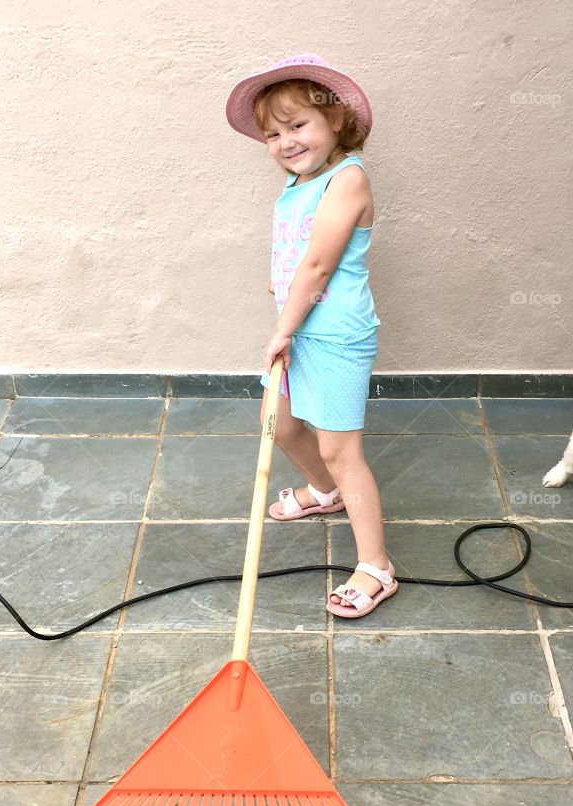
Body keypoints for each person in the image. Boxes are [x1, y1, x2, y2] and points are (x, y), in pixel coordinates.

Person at [225, 53, 397, 619]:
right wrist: (286, 317)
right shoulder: (299, 184)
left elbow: (319, 265)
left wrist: (284, 327)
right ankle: (326, 493)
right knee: (281, 422)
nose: (284, 141)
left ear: (336, 122)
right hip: (299, 330)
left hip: (336, 337)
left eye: (297, 125)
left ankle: (376, 566)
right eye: (272, 134)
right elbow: (293, 259)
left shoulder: (348, 180)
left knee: (341, 448)